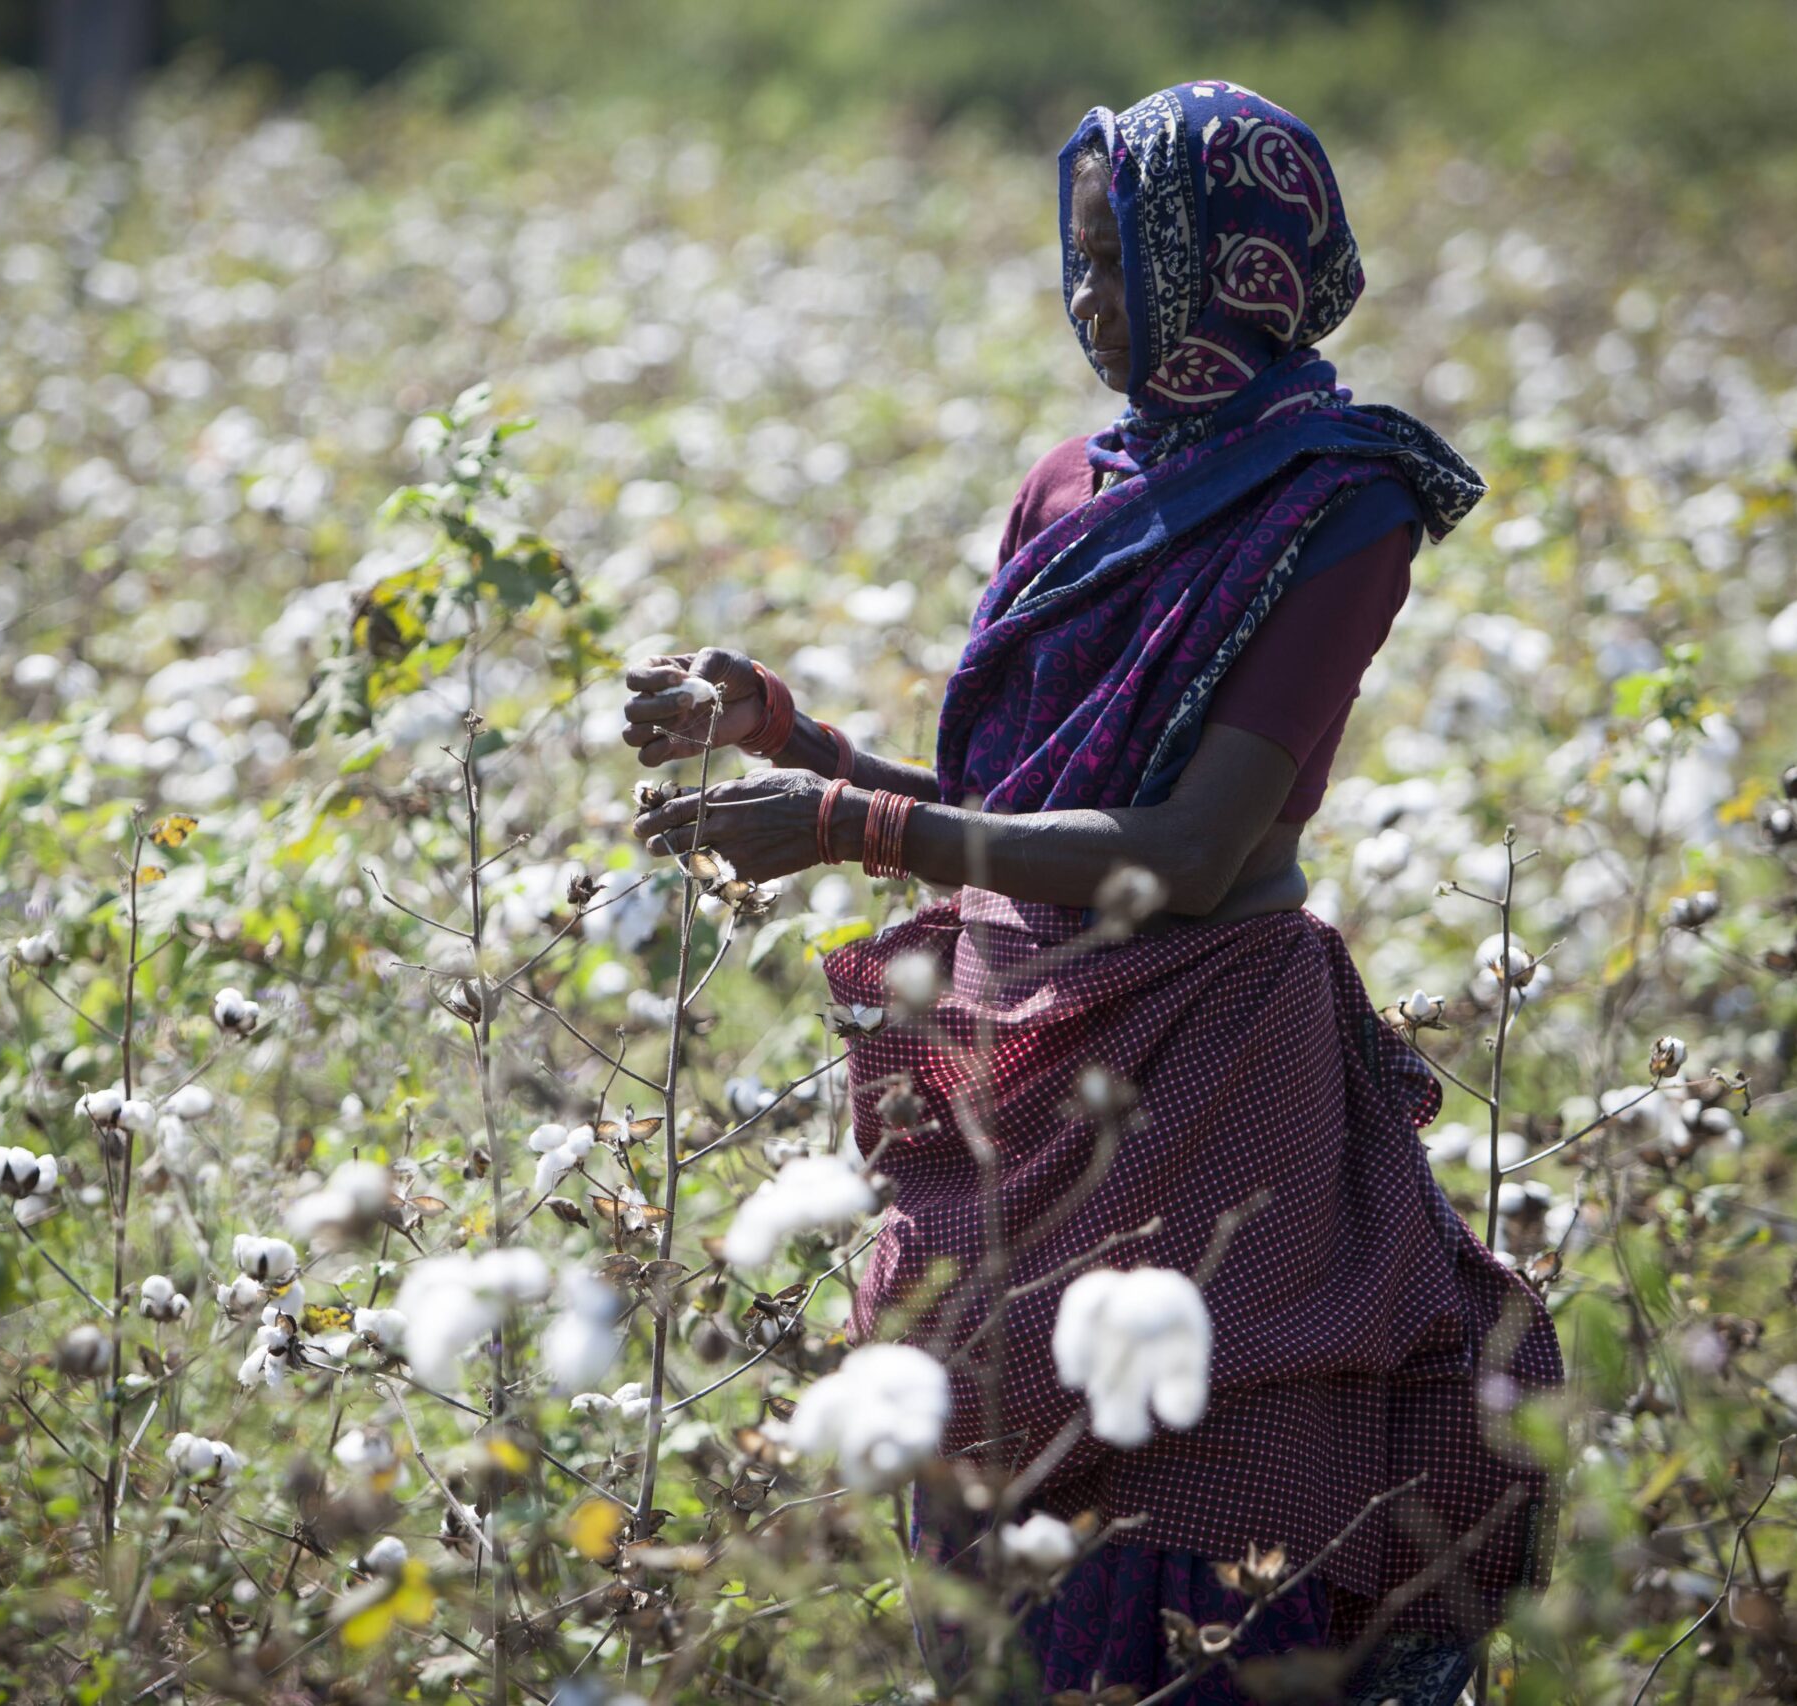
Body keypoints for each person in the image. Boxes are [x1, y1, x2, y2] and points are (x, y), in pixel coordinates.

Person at [622, 79, 1561, 1705]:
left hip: (1208, 1075)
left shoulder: (1342, 502)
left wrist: (845, 820)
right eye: (1079, 263)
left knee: (1199, 1487)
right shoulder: (1073, 485)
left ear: (1233, 273)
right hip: (1017, 1062)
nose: (1088, 302)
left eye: (1122, 267)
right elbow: (1009, 820)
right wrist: (787, 734)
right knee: (991, 1519)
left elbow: (1187, 856)